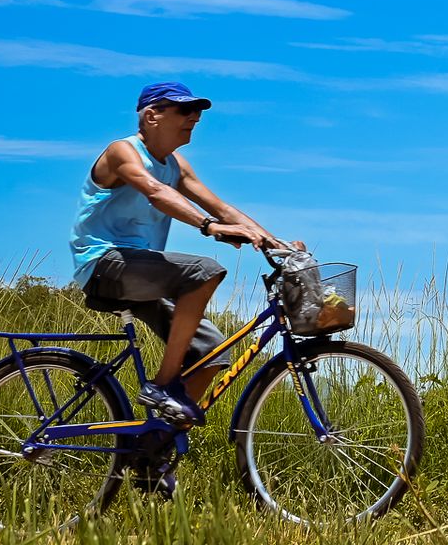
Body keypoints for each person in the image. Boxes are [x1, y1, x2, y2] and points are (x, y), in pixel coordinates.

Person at [70, 82, 286, 427]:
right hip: (104, 264)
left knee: (211, 351)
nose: (194, 117)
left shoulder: (175, 165)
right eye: (184, 110)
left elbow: (221, 207)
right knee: (204, 270)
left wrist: (276, 244)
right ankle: (162, 385)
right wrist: (209, 227)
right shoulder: (121, 152)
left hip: (141, 272)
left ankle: (154, 444)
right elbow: (155, 191)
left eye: (197, 111)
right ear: (151, 116)